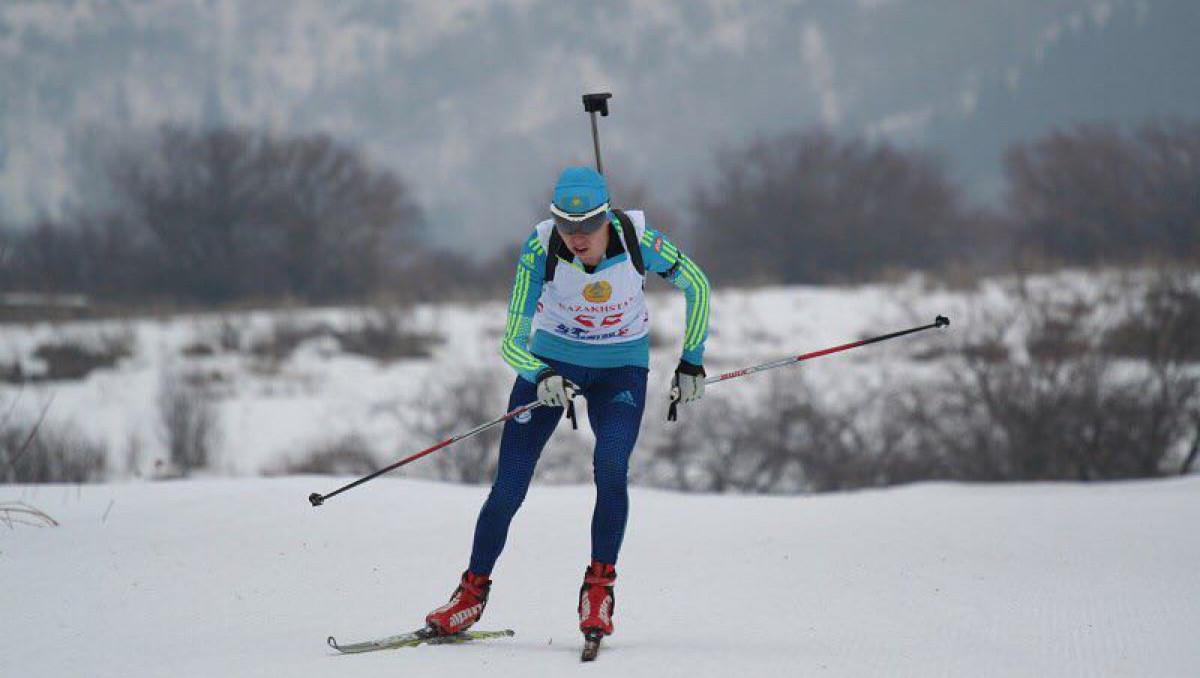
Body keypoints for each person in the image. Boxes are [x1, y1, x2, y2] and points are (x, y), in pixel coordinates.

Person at [425, 166, 711, 640]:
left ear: (606, 217)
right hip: (553, 361)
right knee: (509, 485)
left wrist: (692, 362)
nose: (576, 237)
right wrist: (540, 374)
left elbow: (697, 285)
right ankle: (470, 596)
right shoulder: (540, 247)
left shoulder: (638, 238)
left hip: (621, 365)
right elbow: (512, 340)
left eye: (587, 226)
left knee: (611, 467)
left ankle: (598, 590)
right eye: (565, 225)